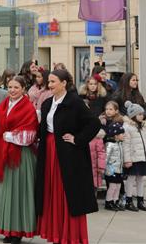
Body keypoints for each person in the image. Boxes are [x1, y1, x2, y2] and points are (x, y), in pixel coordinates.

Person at [35, 68, 100, 244]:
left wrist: (78, 139)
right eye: (48, 82)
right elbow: (42, 128)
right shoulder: (47, 103)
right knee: (50, 191)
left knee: (66, 193)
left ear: (64, 83)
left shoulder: (75, 102)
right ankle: (56, 234)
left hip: (68, 155)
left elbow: (94, 123)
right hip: (49, 151)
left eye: (53, 82)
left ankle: (70, 236)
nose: (49, 85)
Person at [0, 76, 38, 244]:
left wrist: (9, 135)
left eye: (16, 87)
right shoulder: (3, 105)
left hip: (20, 156)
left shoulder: (28, 107)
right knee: (5, 192)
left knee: (18, 193)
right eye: (10, 87)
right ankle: (7, 229)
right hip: (3, 153)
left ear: (24, 89)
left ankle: (18, 231)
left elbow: (30, 134)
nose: (12, 90)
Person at [122, 101, 146, 212]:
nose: (142, 116)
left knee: (141, 179)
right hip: (133, 158)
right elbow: (126, 145)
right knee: (130, 179)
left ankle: (140, 200)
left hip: (142, 157)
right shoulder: (127, 128)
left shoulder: (143, 127)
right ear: (133, 115)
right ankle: (128, 201)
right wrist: (127, 159)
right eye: (139, 114)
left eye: (142, 114)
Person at [80, 76, 107, 193]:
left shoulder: (101, 98)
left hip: (98, 130)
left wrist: (102, 117)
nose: (92, 86)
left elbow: (106, 110)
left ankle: (96, 186)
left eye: (95, 84)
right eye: (90, 84)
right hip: (85, 128)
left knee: (98, 156)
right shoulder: (81, 97)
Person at [101, 100, 125, 211]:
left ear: (116, 111)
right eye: (107, 109)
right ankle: (109, 202)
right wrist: (104, 168)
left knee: (117, 185)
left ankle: (115, 201)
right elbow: (107, 157)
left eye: (111, 109)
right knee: (111, 185)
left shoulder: (119, 122)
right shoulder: (103, 121)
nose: (108, 111)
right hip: (111, 167)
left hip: (118, 167)